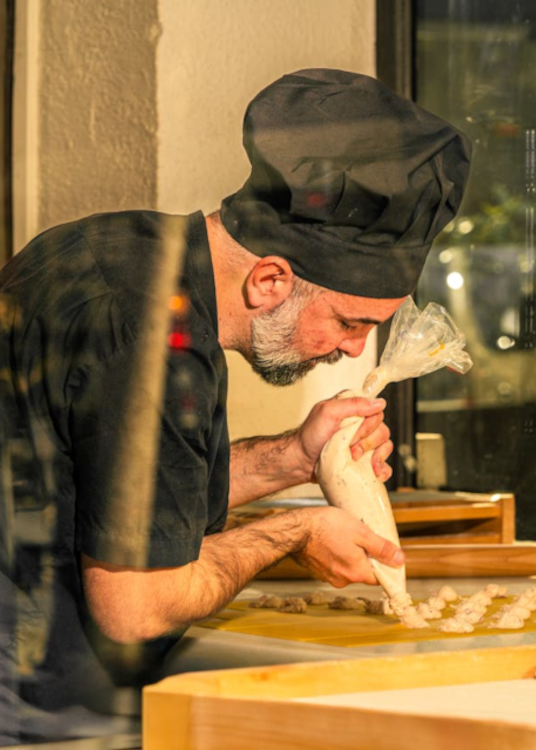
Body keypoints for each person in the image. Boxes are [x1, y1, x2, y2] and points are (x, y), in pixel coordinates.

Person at [0, 68, 471, 744]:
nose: (348, 352)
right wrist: (294, 533)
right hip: (32, 709)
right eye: (348, 323)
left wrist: (296, 457)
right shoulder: (155, 342)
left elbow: (118, 503)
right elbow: (135, 607)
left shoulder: (111, 251)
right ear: (271, 278)